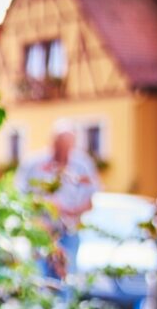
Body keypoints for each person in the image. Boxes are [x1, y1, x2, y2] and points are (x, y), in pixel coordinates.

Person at [16, 120, 100, 280]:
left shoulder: (82, 165)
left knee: (66, 280)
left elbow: (90, 202)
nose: (64, 150)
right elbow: (20, 196)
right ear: (53, 142)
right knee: (38, 279)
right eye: (61, 144)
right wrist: (44, 208)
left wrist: (69, 211)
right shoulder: (34, 164)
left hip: (69, 232)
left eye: (68, 145)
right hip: (41, 232)